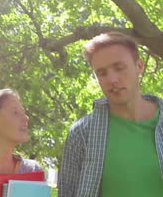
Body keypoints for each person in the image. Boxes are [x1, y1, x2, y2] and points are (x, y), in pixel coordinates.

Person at [58, 32, 163, 197]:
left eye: (119, 68)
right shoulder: (82, 133)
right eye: (102, 73)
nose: (112, 79)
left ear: (139, 66)